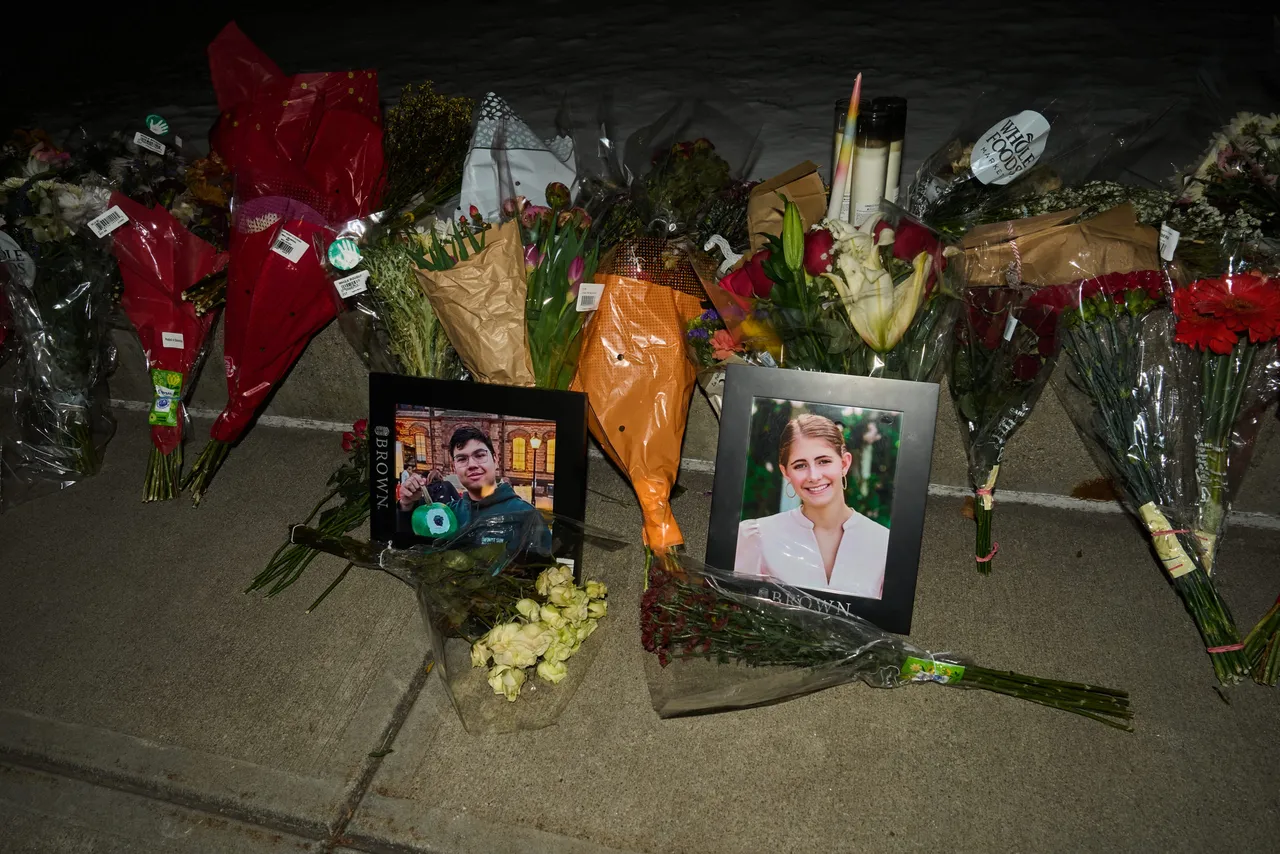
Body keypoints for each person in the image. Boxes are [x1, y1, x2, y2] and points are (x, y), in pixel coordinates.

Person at [735, 413, 889, 599]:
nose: (814, 476)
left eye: (823, 461)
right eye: (800, 465)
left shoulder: (884, 544)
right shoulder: (755, 536)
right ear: (786, 473)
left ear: (844, 463)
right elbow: (736, 611)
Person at [398, 425, 551, 553]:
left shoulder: (527, 515)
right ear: (454, 468)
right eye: (462, 459)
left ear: (495, 460)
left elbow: (540, 574)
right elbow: (409, 551)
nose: (471, 464)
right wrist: (406, 506)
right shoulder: (445, 514)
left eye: (479, 455)